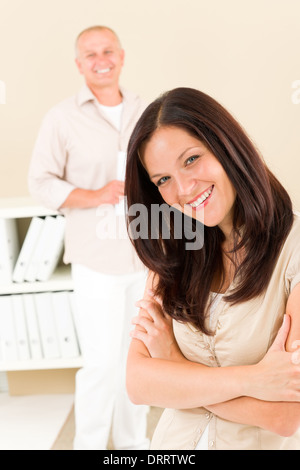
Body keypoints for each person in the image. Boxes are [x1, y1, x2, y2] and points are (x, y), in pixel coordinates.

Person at [124, 87, 300, 450]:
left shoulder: (294, 249)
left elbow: (286, 416)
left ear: (226, 146)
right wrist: (253, 380)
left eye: (190, 160)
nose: (184, 189)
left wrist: (173, 366)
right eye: (163, 180)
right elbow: (138, 384)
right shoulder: (173, 252)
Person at [28, 25, 149, 450]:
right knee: (100, 363)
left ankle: (135, 446)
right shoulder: (61, 117)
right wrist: (95, 194)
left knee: (137, 361)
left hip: (144, 254)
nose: (102, 59)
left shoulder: (145, 109)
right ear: (79, 64)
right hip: (96, 257)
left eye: (108, 50)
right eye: (91, 54)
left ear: (121, 55)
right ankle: (91, 445)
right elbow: (40, 182)